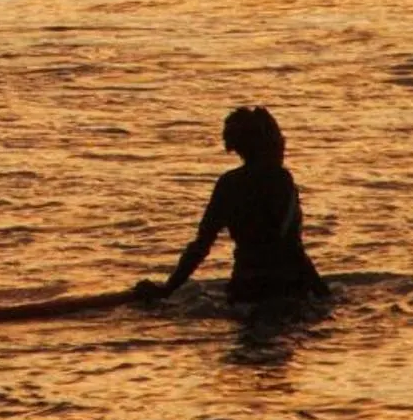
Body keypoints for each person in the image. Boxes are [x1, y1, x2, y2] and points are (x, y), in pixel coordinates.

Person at [133, 105, 328, 309]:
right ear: (270, 143)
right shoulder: (281, 180)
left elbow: (200, 246)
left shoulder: (228, 184)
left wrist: (167, 289)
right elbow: (289, 247)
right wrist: (322, 293)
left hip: (244, 288)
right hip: (285, 288)